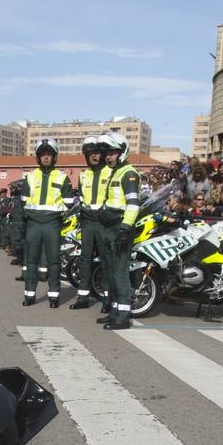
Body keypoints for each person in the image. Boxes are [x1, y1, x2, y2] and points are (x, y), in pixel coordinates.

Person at [17, 138, 75, 309]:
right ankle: (29, 295)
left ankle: (54, 296)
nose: (46, 157)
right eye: (43, 155)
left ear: (54, 157)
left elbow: (69, 202)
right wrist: (24, 222)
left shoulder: (62, 177)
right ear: (38, 157)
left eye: (49, 154)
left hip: (52, 223)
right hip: (33, 223)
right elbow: (23, 202)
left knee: (53, 261)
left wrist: (59, 218)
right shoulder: (30, 177)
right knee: (32, 261)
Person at [99, 131, 141, 330]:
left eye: (112, 152)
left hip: (120, 227)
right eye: (106, 152)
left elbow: (133, 204)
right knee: (109, 270)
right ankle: (115, 311)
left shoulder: (129, 173)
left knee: (119, 272)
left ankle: (123, 316)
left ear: (122, 152)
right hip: (109, 227)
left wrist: (125, 228)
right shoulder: (115, 172)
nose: (108, 156)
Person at [70, 136, 110, 311]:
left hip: (104, 222)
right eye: (91, 153)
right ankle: (83, 297)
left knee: (106, 260)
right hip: (87, 222)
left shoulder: (110, 172)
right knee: (85, 260)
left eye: (97, 153)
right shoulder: (83, 175)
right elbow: (81, 198)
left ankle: (108, 299)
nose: (94, 156)